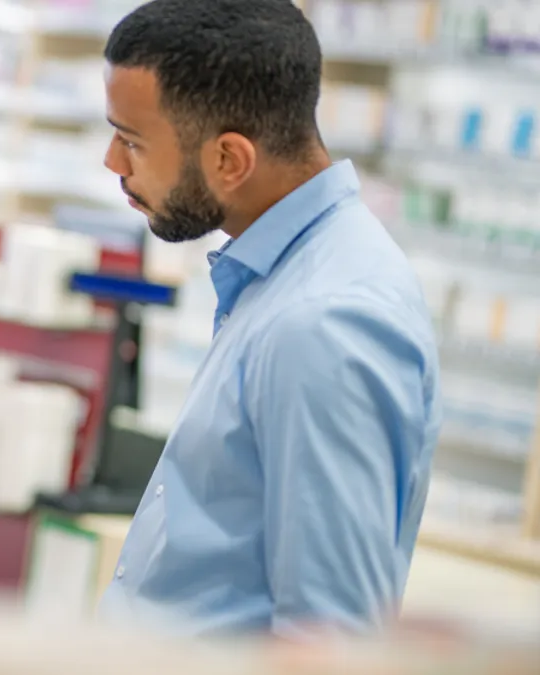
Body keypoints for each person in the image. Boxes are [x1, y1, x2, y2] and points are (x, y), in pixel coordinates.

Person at [97, 0, 439, 637]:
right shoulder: (281, 276)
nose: (112, 162)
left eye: (133, 141)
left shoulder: (324, 323)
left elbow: (330, 638)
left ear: (230, 160)